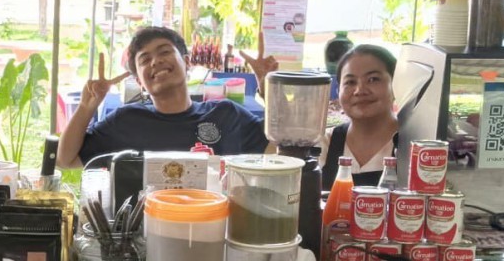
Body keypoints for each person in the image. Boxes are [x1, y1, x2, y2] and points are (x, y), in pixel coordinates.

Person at [56, 26, 271, 168]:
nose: (156, 61)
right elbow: (66, 160)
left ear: (187, 62)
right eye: (144, 60)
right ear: (139, 81)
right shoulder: (127, 121)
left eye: (165, 52)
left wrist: (269, 89)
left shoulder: (226, 115)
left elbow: (277, 150)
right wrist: (86, 107)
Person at [320, 44, 398, 188]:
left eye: (373, 79)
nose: (360, 90)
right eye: (350, 82)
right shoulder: (324, 144)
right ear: (338, 91)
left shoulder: (416, 148)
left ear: (396, 84)